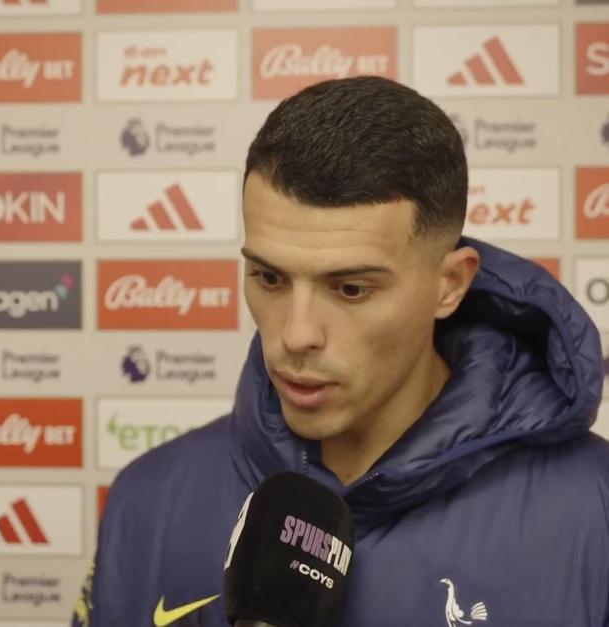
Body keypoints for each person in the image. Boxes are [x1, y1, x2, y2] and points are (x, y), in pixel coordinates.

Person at [72, 76, 608, 627]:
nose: (297, 334)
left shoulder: (595, 511)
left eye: (351, 288)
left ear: (449, 285)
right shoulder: (150, 499)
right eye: (269, 277)